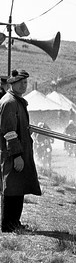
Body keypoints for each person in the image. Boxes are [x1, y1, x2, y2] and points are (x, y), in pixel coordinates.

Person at [0, 70, 41, 232]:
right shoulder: (10, 102)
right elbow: (9, 132)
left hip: (17, 151)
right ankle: (8, 225)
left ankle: (14, 223)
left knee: (18, 188)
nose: (24, 85)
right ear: (13, 83)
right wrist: (17, 155)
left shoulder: (16, 101)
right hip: (12, 153)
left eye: (25, 82)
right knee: (11, 189)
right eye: (21, 82)